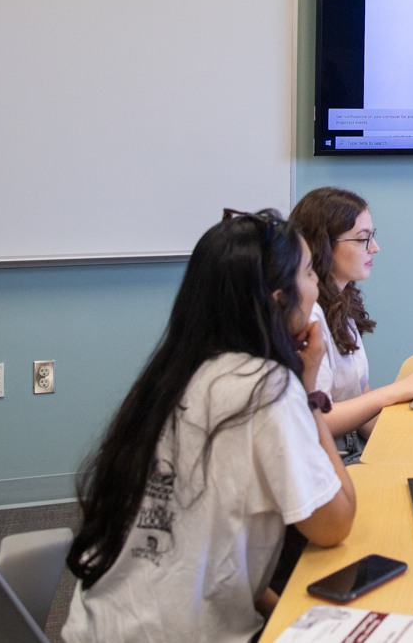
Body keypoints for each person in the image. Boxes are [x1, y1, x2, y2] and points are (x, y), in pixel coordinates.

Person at [62, 209, 356, 641]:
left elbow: (216, 556)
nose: (318, 286)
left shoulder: (169, 375)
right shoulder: (266, 388)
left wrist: (290, 615)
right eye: (311, 273)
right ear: (278, 299)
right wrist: (308, 393)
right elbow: (336, 524)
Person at [289, 186, 413, 451]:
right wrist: (391, 393)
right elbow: (315, 420)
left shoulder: (341, 300)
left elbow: (358, 395)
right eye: (362, 239)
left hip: (354, 444)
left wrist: (404, 446)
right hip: (333, 454)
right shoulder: (308, 316)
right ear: (323, 244)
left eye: (371, 236)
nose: (374, 248)